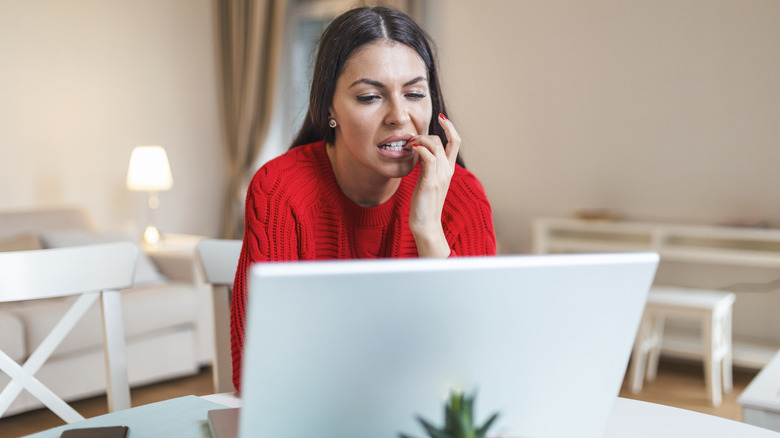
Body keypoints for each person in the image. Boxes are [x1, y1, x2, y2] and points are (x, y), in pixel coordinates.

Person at [230, 6, 496, 392]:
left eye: (415, 93)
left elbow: (481, 363)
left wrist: (427, 231)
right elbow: (254, 368)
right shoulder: (280, 190)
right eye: (370, 96)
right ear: (329, 108)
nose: (399, 116)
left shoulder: (462, 196)